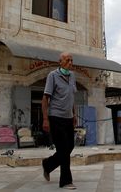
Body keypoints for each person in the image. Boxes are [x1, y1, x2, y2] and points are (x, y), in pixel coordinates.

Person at [41, 52, 78, 190]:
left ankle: (48, 164)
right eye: (67, 60)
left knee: (69, 147)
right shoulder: (53, 76)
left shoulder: (72, 76)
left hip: (68, 118)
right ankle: (66, 181)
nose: (70, 62)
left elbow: (71, 97)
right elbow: (45, 98)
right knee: (63, 148)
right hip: (56, 117)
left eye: (71, 60)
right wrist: (45, 119)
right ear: (60, 62)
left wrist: (74, 114)